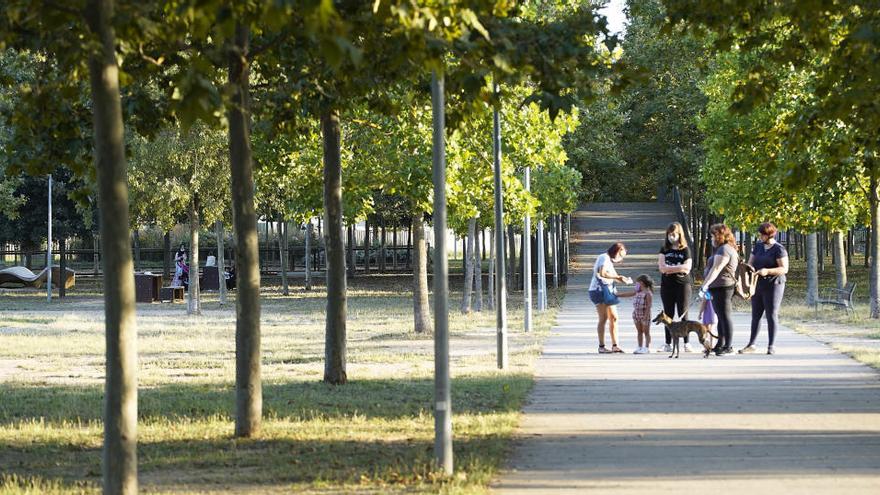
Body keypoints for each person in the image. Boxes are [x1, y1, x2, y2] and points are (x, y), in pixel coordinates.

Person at [740, 222, 789, 355]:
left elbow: (784, 269)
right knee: (756, 315)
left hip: (774, 284)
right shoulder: (758, 247)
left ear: (769, 235)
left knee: (771, 314)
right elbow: (751, 263)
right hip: (758, 284)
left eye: (762, 234)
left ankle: (771, 345)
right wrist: (747, 268)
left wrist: (767, 271)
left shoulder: (779, 249)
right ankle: (751, 344)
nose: (760, 236)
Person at [701, 224, 739, 356]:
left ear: (719, 236)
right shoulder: (722, 249)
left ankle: (728, 346)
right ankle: (720, 345)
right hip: (717, 287)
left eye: (713, 235)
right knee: (721, 317)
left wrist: (705, 284)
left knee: (725, 316)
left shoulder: (724, 250)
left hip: (723, 287)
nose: (711, 238)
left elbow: (716, 269)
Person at [588, 242, 633, 354]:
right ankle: (602, 346)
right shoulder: (604, 257)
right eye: (621, 256)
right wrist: (617, 277)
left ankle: (615, 345)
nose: (621, 259)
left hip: (607, 291)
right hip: (599, 291)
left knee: (613, 317)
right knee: (604, 318)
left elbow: (614, 276)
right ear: (617, 251)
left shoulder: (608, 261)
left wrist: (622, 279)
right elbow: (602, 273)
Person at [657, 222, 694, 353]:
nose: (671, 237)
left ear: (680, 234)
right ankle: (668, 343)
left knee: (683, 313)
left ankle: (686, 343)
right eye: (669, 234)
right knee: (668, 314)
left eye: (674, 234)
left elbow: (687, 268)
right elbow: (661, 268)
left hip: (682, 285)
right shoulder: (664, 249)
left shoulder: (685, 250)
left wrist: (669, 269)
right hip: (667, 286)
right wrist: (678, 268)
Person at [631, 274, 654, 354]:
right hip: (636, 314)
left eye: (637, 283)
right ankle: (639, 346)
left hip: (644, 314)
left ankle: (646, 347)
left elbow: (649, 306)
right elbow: (629, 294)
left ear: (642, 283)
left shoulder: (648, 293)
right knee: (639, 331)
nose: (636, 284)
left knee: (646, 332)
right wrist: (617, 295)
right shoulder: (638, 292)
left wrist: (646, 316)